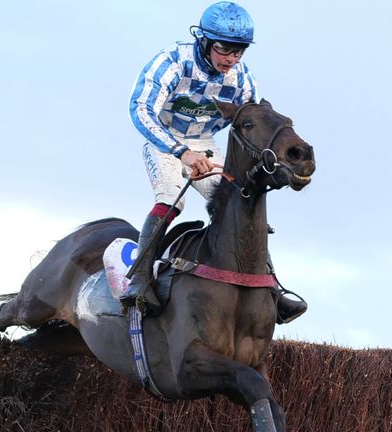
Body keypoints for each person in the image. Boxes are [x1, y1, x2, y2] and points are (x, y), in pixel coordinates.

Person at [125, 1, 306, 323]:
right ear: (204, 41)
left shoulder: (242, 79)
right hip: (165, 138)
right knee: (171, 200)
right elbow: (140, 110)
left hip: (204, 142)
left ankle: (274, 291)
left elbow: (254, 120)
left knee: (241, 203)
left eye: (239, 52)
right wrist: (182, 152)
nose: (231, 59)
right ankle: (138, 280)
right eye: (225, 49)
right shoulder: (172, 61)